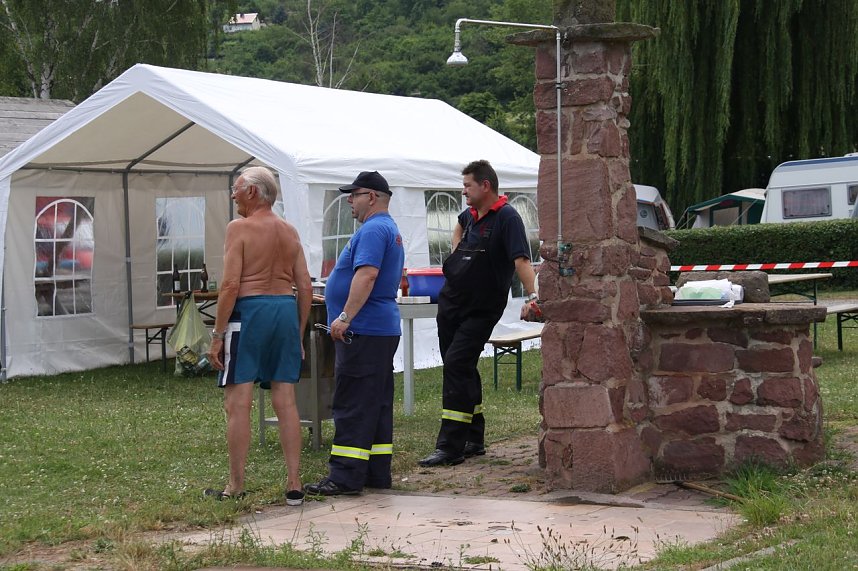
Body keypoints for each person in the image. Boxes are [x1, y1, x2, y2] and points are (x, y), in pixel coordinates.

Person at [419, 159, 537, 468]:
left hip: (482, 308)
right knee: (462, 365)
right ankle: (474, 437)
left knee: (458, 363)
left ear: (485, 186)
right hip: (452, 304)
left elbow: (522, 261)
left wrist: (535, 296)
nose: (463, 192)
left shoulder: (507, 218)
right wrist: (457, 250)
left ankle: (450, 446)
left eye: (467, 186)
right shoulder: (471, 215)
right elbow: (458, 223)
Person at [206, 166, 312, 506]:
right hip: (284, 308)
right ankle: (294, 482)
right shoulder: (289, 231)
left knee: (238, 402)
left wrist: (218, 334)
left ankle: (235, 485)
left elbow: (231, 285)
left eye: (236, 189)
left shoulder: (239, 228)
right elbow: (306, 287)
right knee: (286, 400)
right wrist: (298, 332)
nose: (233, 195)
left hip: (249, 312)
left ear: (252, 192)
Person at [304, 171, 404, 496]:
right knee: (375, 403)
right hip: (378, 329)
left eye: (354, 194)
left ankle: (345, 477)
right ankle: (375, 472)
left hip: (364, 330)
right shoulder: (385, 228)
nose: (349, 200)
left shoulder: (374, 229)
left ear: (371, 197)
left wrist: (345, 315)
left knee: (352, 403)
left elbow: (367, 275)